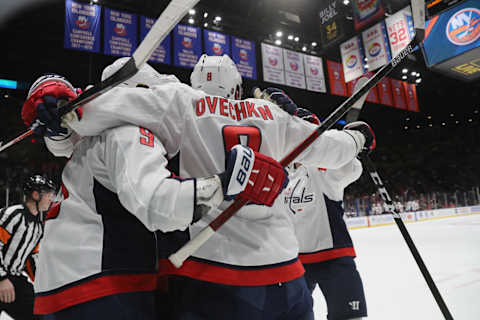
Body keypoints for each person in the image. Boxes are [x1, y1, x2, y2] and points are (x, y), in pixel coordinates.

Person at [23, 55, 372, 319]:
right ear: (237, 85)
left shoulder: (178, 102)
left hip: (208, 274)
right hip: (286, 272)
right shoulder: (272, 115)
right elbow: (334, 148)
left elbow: (99, 110)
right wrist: (359, 137)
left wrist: (59, 108)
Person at [261, 88, 370, 319]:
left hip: (334, 258)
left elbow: (350, 168)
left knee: (348, 316)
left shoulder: (324, 171)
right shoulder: (281, 172)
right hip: (294, 261)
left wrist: (356, 144)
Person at [0, 174, 56, 320]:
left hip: (14, 277)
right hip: (3, 276)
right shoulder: (14, 214)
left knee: (37, 313)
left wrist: (41, 285)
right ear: (36, 195)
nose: (51, 199)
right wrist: (2, 278)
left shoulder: (38, 226)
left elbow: (31, 258)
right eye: (48, 194)